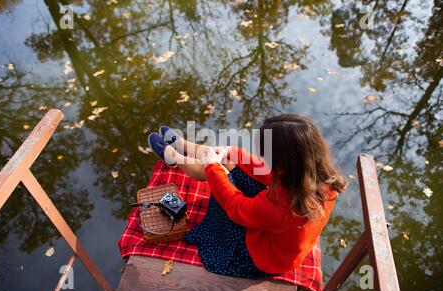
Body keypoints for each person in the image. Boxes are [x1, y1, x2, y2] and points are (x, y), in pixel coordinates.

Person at [147, 113, 347, 279]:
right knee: (228, 160)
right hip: (280, 232)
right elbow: (264, 172)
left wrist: (214, 167)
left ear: (283, 163)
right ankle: (184, 147)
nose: (263, 157)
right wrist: (232, 152)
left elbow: (236, 207)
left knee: (222, 182)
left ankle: (174, 158)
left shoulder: (282, 206)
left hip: (263, 258)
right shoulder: (320, 177)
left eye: (267, 155)